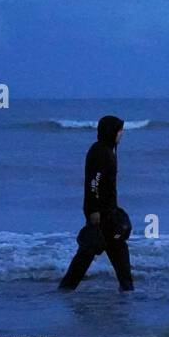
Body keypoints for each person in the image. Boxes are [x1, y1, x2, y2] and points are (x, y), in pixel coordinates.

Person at [59, 115, 135, 291]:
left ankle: (127, 289)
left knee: (111, 251)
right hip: (101, 215)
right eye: (119, 130)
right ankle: (66, 288)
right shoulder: (100, 152)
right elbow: (94, 181)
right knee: (91, 252)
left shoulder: (108, 150)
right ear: (111, 132)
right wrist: (94, 210)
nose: (122, 134)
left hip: (109, 213)